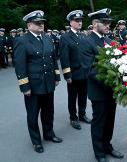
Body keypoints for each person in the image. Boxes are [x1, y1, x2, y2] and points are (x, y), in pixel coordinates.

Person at [13, 10, 62, 153]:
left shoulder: (47, 39)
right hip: (33, 86)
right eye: (37, 23)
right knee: (33, 114)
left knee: (48, 112)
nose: (41, 25)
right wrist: (24, 86)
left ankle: (49, 134)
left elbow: (53, 60)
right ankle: (36, 141)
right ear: (29, 25)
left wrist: (56, 77)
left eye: (42, 22)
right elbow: (20, 66)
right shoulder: (21, 41)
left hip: (48, 82)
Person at [81, 8, 124, 162]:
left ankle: (107, 146)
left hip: (111, 89)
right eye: (104, 23)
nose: (107, 25)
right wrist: (112, 82)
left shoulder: (107, 40)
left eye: (108, 23)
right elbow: (90, 69)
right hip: (99, 90)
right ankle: (99, 152)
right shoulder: (87, 42)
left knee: (110, 120)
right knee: (99, 121)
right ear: (94, 24)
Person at [60, 10, 91, 130]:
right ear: (71, 22)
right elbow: (64, 57)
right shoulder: (65, 37)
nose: (79, 23)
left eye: (80, 21)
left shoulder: (83, 35)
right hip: (73, 73)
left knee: (83, 95)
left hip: (84, 72)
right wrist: (67, 74)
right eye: (76, 21)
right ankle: (73, 117)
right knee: (73, 97)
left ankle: (82, 114)